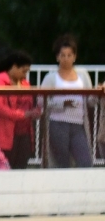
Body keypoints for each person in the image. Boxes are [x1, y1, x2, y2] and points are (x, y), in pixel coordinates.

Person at [38, 35, 94, 168]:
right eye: (63, 55)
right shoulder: (51, 77)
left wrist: (97, 95)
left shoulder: (83, 75)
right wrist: (63, 104)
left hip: (78, 124)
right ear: (57, 57)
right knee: (61, 163)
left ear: (74, 56)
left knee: (85, 162)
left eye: (69, 55)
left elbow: (90, 101)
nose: (66, 59)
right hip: (58, 123)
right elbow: (41, 101)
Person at [0, 51, 42, 169]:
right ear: (14, 67)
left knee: (21, 166)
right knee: (6, 166)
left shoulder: (25, 84)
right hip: (5, 133)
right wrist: (22, 114)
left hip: (24, 133)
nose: (24, 75)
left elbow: (28, 105)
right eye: (23, 71)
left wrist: (34, 113)